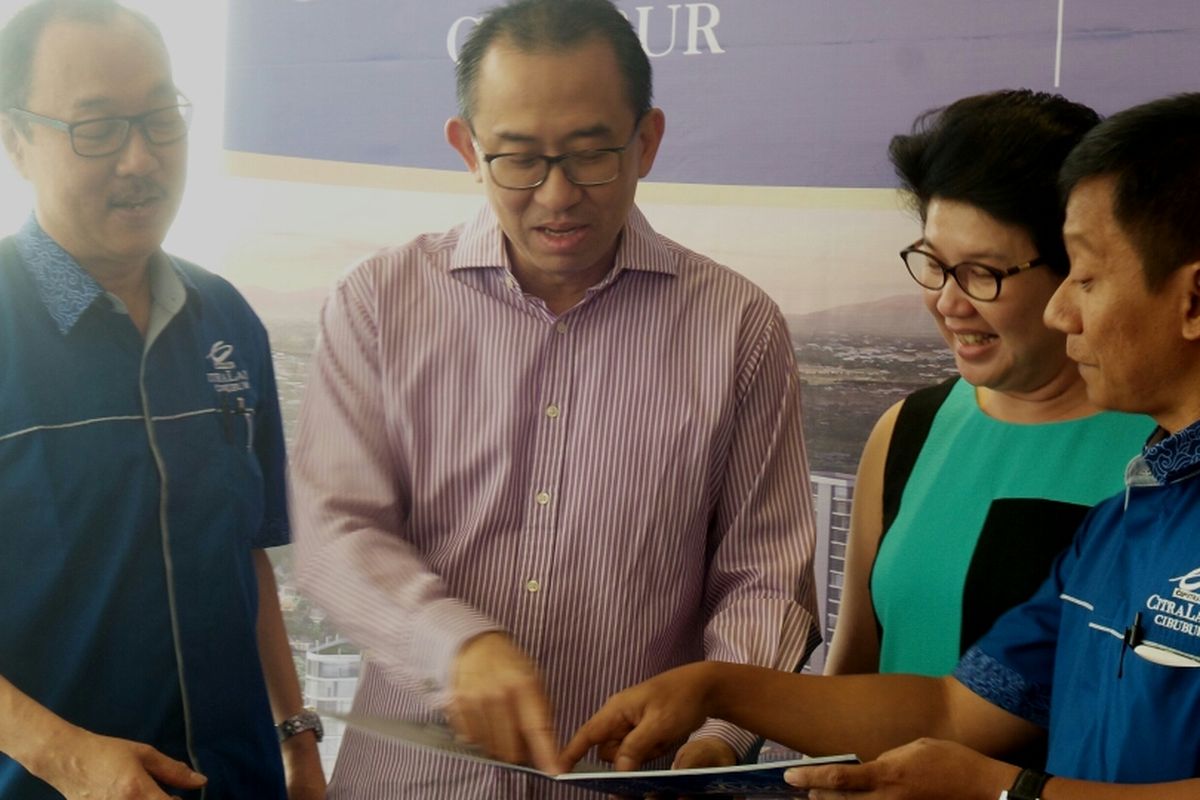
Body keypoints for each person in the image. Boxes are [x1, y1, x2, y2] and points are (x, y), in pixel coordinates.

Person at [562, 92, 1200, 799]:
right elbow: (953, 709)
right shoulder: (1132, 512)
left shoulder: (1133, 483)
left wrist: (1003, 792)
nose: (1061, 311)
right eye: (933, 262)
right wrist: (717, 690)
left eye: (1085, 277)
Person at [289, 0, 820, 796]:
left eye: (590, 153)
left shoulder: (736, 327)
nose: (558, 194)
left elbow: (765, 577)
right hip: (411, 780)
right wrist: (453, 645)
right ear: (467, 148)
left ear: (646, 140)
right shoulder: (379, 302)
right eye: (519, 158)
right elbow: (335, 531)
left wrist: (718, 734)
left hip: (629, 782)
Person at [0, 1, 325, 798]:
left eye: (160, 118)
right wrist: (67, 755)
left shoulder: (227, 319)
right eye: (98, 127)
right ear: (17, 139)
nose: (141, 158)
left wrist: (297, 740)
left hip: (240, 779)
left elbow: (243, 558)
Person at [825, 90, 1152, 679]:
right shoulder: (910, 430)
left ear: (1074, 271)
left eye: (982, 273)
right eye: (932, 262)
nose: (949, 302)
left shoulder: (1163, 451)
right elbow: (853, 672)